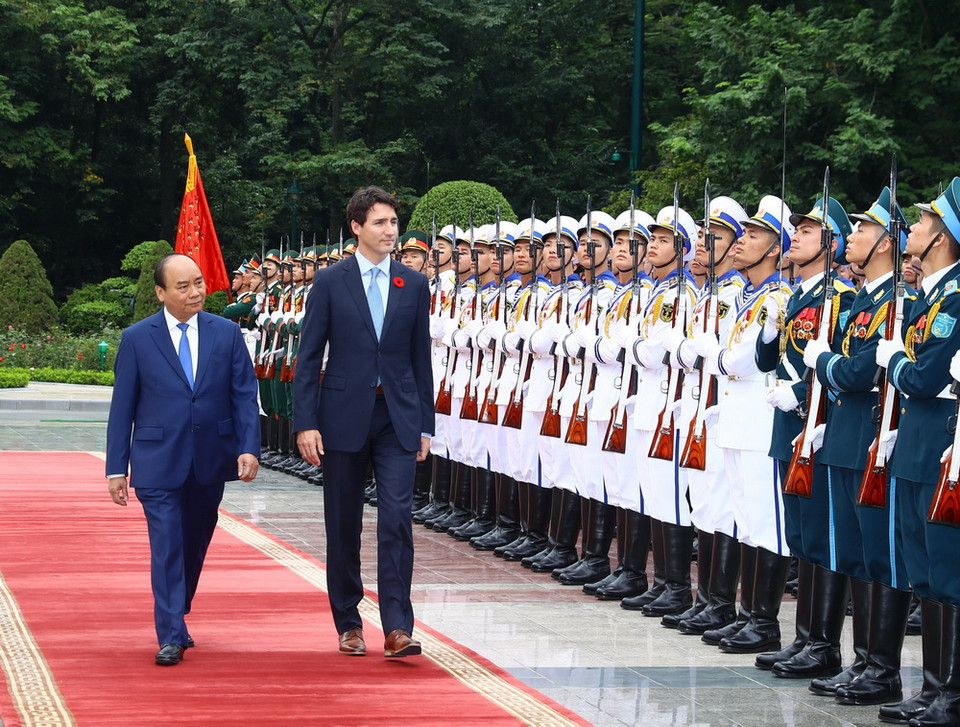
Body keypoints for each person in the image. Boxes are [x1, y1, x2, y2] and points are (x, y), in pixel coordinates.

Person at [294, 186, 434, 658]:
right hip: (342, 417)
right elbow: (308, 356)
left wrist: (425, 425)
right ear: (357, 227)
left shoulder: (412, 284)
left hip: (397, 417)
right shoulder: (330, 282)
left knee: (396, 518)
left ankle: (397, 626)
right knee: (344, 522)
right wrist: (305, 423)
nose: (390, 231)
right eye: (379, 223)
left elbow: (421, 360)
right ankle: (349, 622)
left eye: (393, 222)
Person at [105, 253, 260, 666]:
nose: (195, 293)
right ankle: (171, 632)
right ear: (160, 292)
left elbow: (244, 395)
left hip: (211, 456)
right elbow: (123, 407)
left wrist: (248, 446)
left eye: (198, 283)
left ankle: (178, 606)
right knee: (167, 544)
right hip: (157, 460)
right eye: (183, 286)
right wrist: (116, 467)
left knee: (194, 542)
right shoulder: (138, 338)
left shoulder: (226, 333)